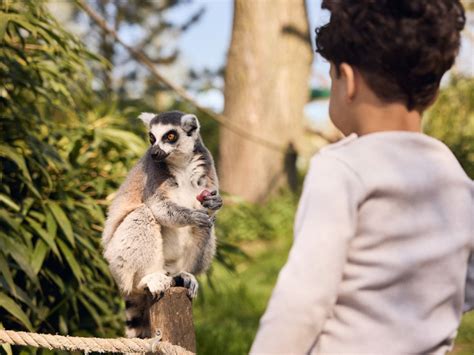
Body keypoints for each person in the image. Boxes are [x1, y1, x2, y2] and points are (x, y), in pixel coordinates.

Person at [250, 0, 473, 353]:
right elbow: (467, 281)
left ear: (347, 79)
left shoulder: (340, 168)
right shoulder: (455, 176)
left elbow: (302, 302)